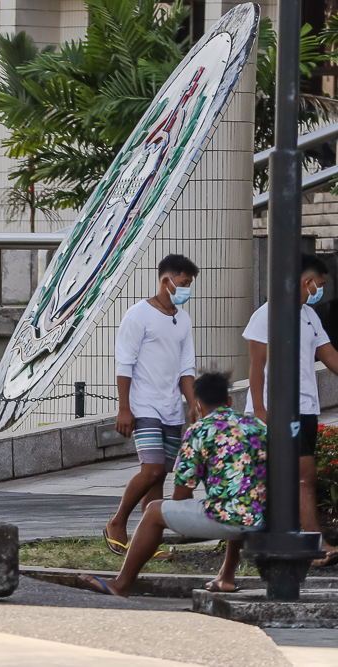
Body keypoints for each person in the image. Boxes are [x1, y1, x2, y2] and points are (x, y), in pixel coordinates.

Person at [81, 371, 267, 596]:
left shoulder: (199, 430)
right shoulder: (256, 425)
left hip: (232, 517)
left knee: (154, 511)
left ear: (197, 404)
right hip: (264, 517)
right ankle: (226, 578)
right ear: (229, 401)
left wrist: (185, 521)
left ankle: (121, 584)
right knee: (236, 499)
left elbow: (181, 493)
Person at [245, 253, 338, 566]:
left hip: (307, 408)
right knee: (303, 475)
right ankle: (315, 544)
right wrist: (259, 409)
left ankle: (268, 541)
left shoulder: (309, 316)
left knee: (284, 480)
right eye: (320, 284)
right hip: (279, 410)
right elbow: (256, 365)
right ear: (306, 281)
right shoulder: (267, 315)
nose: (321, 290)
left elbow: (331, 358)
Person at [105, 254, 200, 557]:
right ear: (165, 281)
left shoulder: (182, 319)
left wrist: (193, 404)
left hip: (171, 407)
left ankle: (149, 543)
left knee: (160, 476)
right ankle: (116, 523)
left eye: (189, 285)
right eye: (183, 283)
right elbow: (125, 364)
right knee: (152, 469)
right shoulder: (138, 315)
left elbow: (187, 368)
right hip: (143, 405)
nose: (186, 289)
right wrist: (124, 408)